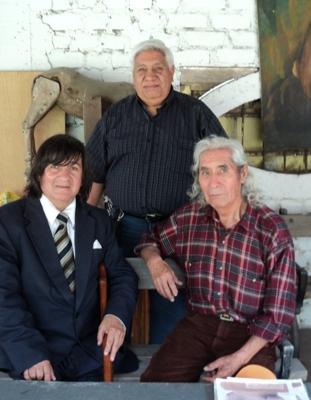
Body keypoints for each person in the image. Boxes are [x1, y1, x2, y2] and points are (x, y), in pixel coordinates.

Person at [86, 38, 228, 344]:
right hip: (123, 226)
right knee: (119, 299)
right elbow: (95, 172)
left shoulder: (195, 114)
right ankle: (121, 361)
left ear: (172, 72)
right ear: (133, 76)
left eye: (158, 69)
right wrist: (85, 222)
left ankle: (165, 364)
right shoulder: (116, 116)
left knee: (171, 303)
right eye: (142, 70)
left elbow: (223, 167)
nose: (149, 77)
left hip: (179, 230)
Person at [136, 136, 297, 382]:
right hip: (197, 328)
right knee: (154, 389)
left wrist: (239, 358)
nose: (213, 183)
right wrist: (155, 262)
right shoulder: (189, 219)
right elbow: (149, 240)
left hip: (250, 335)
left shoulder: (271, 230)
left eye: (223, 170)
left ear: (242, 174)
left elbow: (278, 315)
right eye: (205, 172)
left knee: (249, 393)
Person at [0, 134, 139, 382]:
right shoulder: (5, 224)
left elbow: (122, 275)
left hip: (93, 353)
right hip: (37, 356)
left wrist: (115, 316)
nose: (65, 176)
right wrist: (30, 354)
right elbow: (1, 296)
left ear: (83, 178)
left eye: (74, 167)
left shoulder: (99, 222)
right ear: (39, 175)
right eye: (55, 166)